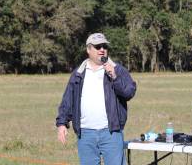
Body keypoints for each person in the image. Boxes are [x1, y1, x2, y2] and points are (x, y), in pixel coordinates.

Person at [56, 33, 136, 165]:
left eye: (104, 46)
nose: (102, 49)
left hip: (111, 132)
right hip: (85, 134)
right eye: (98, 47)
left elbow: (129, 93)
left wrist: (115, 77)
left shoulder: (117, 70)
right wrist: (61, 123)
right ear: (88, 49)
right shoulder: (78, 73)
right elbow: (68, 100)